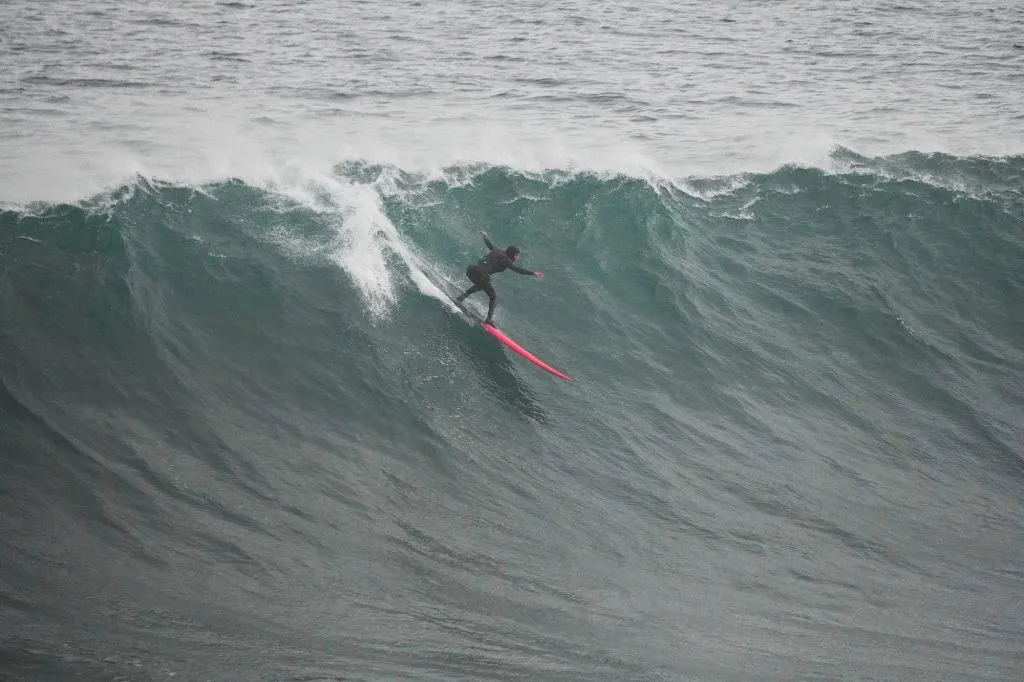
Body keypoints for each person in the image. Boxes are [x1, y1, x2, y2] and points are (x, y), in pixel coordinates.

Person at [456, 231, 544, 326]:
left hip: (471, 269)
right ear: (512, 254)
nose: (518, 257)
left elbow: (489, 244)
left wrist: (485, 236)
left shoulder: (497, 251)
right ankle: (489, 319)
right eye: (517, 255)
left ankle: (461, 298)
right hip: (481, 274)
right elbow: (517, 270)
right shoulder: (506, 260)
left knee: (480, 285)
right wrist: (533, 273)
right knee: (493, 296)